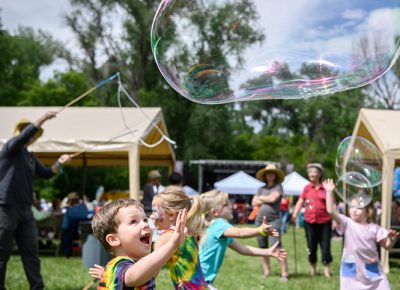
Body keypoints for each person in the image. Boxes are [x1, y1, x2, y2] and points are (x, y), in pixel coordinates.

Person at [0, 111, 70, 290]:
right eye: (27, 132)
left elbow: (46, 174)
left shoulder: (30, 157)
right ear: (21, 133)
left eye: (32, 133)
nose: (31, 136)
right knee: (2, 253)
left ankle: (37, 287)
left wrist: (59, 163)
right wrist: (42, 119)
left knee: (31, 252)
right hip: (6, 208)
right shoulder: (10, 147)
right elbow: (23, 137)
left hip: (25, 211)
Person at [91, 198, 188, 289]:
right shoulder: (118, 265)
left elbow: (148, 271)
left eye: (145, 220)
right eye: (133, 221)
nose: (145, 224)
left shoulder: (132, 267)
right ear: (113, 239)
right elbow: (133, 276)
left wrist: (107, 276)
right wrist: (172, 245)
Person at [199, 190, 287, 289]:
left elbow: (242, 249)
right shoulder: (219, 224)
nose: (231, 205)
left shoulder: (215, 228)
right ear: (215, 212)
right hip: (200, 280)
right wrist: (260, 230)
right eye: (226, 204)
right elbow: (240, 233)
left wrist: (268, 251)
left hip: (198, 278)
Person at [324, 179, 399, 290]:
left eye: (359, 208)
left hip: (372, 271)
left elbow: (387, 246)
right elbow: (330, 211)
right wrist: (329, 192)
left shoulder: (374, 228)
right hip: (352, 271)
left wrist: (391, 240)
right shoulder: (346, 222)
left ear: (368, 211)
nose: (354, 210)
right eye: (352, 206)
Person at [151, 186, 208, 289]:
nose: (151, 216)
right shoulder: (189, 232)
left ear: (172, 215)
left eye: (155, 211)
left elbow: (151, 273)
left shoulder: (166, 237)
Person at [292, 163, 332, 277]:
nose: (311, 174)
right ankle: (313, 269)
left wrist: (334, 220)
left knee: (325, 246)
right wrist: (295, 213)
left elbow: (332, 204)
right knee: (311, 246)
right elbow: (300, 201)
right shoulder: (307, 188)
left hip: (325, 221)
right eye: (310, 172)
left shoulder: (326, 188)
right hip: (309, 221)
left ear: (319, 174)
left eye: (314, 172)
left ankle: (326, 270)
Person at [251, 164, 289, 280]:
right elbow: (253, 202)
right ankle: (266, 272)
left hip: (274, 220)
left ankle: (284, 274)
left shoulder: (278, 186)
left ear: (275, 175)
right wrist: (264, 198)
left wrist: (261, 198)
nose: (270, 174)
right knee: (263, 247)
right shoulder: (261, 188)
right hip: (259, 220)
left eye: (272, 172)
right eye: (268, 173)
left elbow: (273, 199)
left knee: (277, 246)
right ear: (265, 175)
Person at [61, 192, 89, 257]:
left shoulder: (69, 210)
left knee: (66, 231)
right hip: (84, 234)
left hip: (70, 234)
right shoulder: (84, 208)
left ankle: (66, 252)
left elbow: (64, 226)